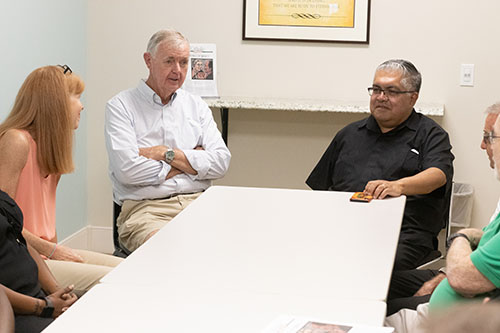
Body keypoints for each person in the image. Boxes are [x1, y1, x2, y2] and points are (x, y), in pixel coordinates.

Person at [306, 59, 454, 270]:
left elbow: (438, 175)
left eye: (391, 91)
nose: (381, 97)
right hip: (345, 227)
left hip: (403, 235)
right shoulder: (349, 134)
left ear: (413, 98)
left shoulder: (430, 134)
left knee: (369, 266)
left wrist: (398, 186)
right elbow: (320, 190)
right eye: (376, 90)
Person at [0, 65, 122, 297]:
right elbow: (4, 223)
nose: (82, 105)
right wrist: (54, 251)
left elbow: (48, 226)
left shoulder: (50, 150)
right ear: (53, 102)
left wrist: (57, 251)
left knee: (129, 269)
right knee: (119, 281)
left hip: (43, 255)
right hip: (18, 258)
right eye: (75, 96)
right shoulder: (17, 141)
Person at [105, 29, 231, 253]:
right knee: (167, 252)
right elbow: (128, 171)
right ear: (148, 60)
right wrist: (190, 161)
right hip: (146, 210)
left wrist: (165, 153)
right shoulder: (120, 106)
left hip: (199, 204)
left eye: (184, 62)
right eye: (169, 61)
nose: (178, 70)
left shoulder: (196, 106)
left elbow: (221, 162)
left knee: (232, 247)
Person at [385, 104, 500, 332]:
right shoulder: (349, 134)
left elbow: (464, 276)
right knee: (380, 286)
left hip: (452, 319)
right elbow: (483, 244)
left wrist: (460, 236)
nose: (484, 145)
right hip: (450, 301)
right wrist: (449, 273)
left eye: (491, 137)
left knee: (371, 314)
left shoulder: (429, 134)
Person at [0, 188, 77, 332]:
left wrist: (59, 293)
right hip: (18, 311)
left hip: (38, 295)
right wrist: (44, 307)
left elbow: (21, 243)